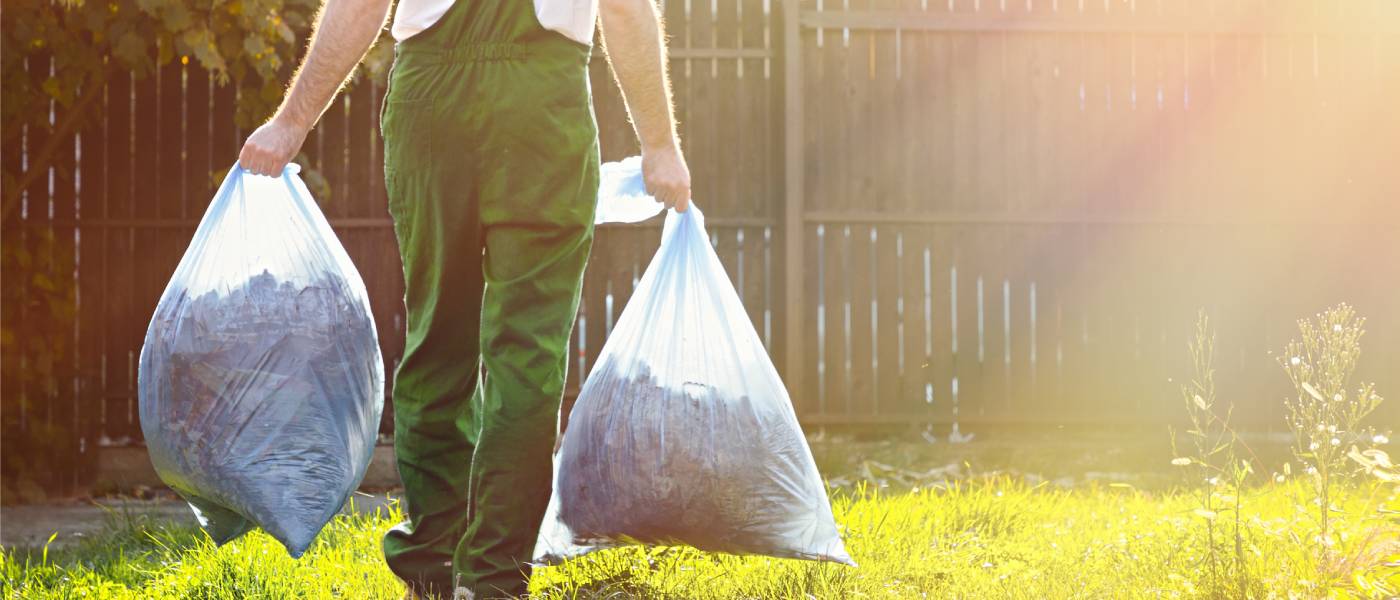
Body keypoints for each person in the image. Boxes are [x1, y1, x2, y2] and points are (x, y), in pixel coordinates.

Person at [237, 0, 692, 593]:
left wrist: (292, 122)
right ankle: (494, 576)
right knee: (527, 355)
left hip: (433, 104)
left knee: (437, 337)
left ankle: (432, 563)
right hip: (541, 108)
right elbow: (627, 9)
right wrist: (659, 143)